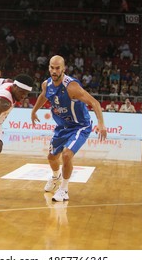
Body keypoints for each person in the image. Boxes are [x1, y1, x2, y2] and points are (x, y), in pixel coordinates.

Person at [31, 55, 107, 202]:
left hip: (80, 126)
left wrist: (101, 123)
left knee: (66, 155)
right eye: (52, 67)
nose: (54, 71)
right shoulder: (46, 84)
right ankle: (55, 176)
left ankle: (64, 189)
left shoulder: (71, 87)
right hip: (62, 127)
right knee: (51, 158)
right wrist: (34, 111)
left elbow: (95, 103)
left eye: (57, 68)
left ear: (63, 69)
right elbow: (43, 96)